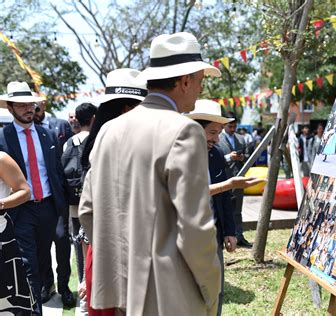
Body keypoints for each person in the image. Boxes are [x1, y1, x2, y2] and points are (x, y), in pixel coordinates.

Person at [79, 33, 222, 315]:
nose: (200, 89)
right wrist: (211, 287)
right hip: (168, 294)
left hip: (117, 288)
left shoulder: (109, 129)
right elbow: (195, 228)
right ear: (184, 81)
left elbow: (88, 210)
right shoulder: (184, 130)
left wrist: (117, 263)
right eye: (200, 81)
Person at [77, 69, 147, 316]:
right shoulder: (124, 145)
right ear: (128, 109)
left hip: (102, 251)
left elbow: (87, 214)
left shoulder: (97, 142)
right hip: (124, 254)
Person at [187, 99, 264, 315]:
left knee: (216, 291)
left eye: (219, 132)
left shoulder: (217, 154)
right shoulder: (178, 156)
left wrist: (230, 231)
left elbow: (224, 198)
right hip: (185, 238)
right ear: (195, 129)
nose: (217, 138)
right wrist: (228, 184)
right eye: (212, 132)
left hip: (213, 233)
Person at [0, 81, 68, 315]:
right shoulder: (3, 137)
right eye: (22, 105)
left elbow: (56, 171)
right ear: (10, 108)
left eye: (31, 104)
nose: (29, 109)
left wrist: (62, 207)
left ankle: (36, 301)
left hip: (49, 207)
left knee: (42, 262)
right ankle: (34, 311)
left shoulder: (47, 134)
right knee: (27, 265)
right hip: (21, 209)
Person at [34, 99, 75, 306]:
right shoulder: (25, 130)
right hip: (35, 199)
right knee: (41, 245)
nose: (33, 108)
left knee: (61, 240)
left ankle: (64, 285)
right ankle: (46, 284)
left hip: (58, 197)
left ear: (42, 103)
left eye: (36, 104)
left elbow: (69, 157)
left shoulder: (59, 124)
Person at [62, 102, 97, 312]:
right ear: (93, 118)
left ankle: (83, 285)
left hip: (74, 205)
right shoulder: (96, 140)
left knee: (79, 246)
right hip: (91, 203)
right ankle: (88, 288)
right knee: (91, 247)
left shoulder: (68, 142)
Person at [0, 151, 32, 314]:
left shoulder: (1, 159)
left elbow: (25, 191)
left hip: (1, 238)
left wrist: (1, 203)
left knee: (7, 300)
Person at [218, 113, 252, 248]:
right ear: (224, 125)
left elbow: (249, 157)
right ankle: (223, 237)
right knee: (223, 209)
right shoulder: (217, 138)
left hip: (238, 177)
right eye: (230, 126)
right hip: (223, 179)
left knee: (237, 210)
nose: (232, 129)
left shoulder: (242, 139)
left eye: (234, 126)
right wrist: (228, 157)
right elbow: (214, 159)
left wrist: (242, 157)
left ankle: (239, 236)